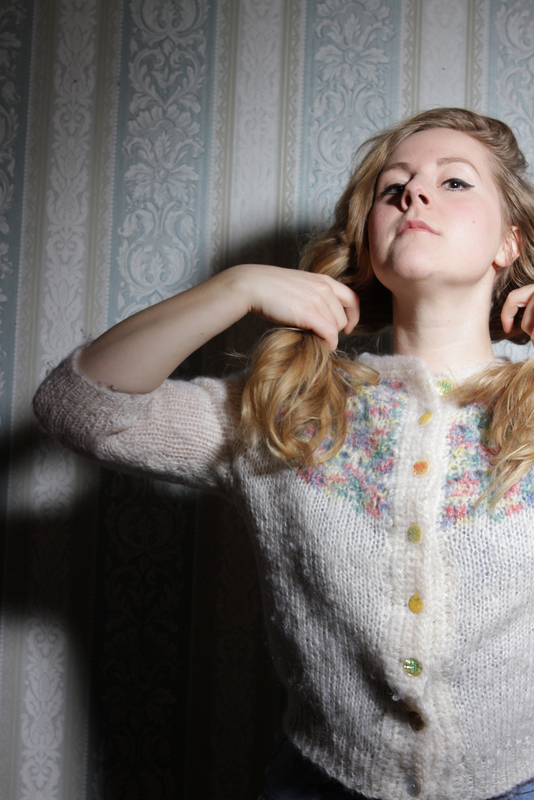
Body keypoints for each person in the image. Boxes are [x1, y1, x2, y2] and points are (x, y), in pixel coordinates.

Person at [33, 108, 534, 800]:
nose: (415, 193)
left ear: (509, 241)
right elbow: (76, 407)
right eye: (393, 188)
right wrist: (232, 287)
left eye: (453, 182)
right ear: (368, 240)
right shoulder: (288, 409)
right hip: (320, 785)